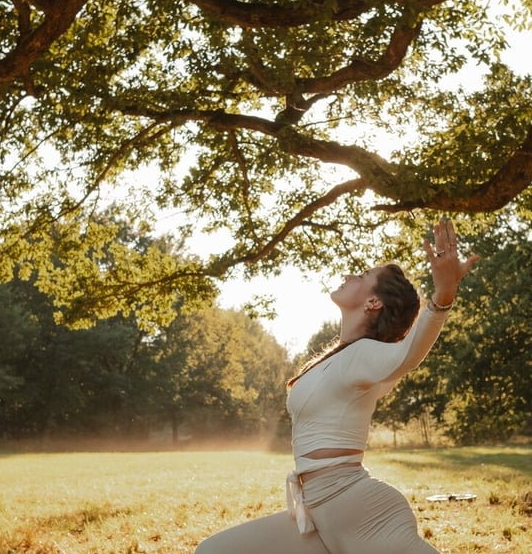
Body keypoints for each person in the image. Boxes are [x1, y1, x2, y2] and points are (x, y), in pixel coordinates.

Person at [195, 219, 479, 554]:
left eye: (361, 277)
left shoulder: (364, 355)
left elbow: (408, 355)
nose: (349, 276)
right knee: (213, 551)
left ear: (374, 303)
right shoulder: (340, 357)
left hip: (359, 511)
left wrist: (443, 297)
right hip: (316, 513)